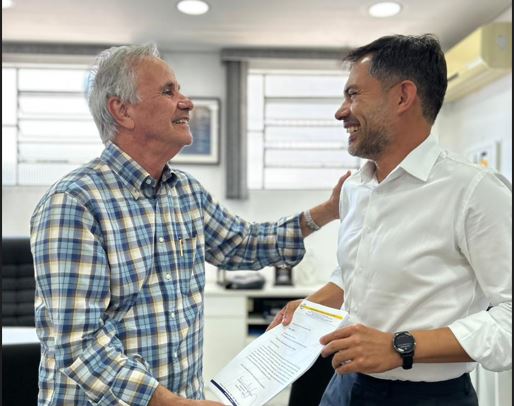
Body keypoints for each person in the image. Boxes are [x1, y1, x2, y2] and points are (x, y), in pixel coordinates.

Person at [30, 43, 351, 406]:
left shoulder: (186, 193)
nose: (187, 102)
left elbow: (242, 243)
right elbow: (78, 343)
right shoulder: (74, 203)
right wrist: (171, 403)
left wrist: (326, 211)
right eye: (169, 91)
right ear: (122, 111)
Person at [268, 34, 511, 405]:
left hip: (429, 397)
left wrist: (401, 347)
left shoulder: (475, 191)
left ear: (402, 96)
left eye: (353, 95)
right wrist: (313, 305)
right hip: (344, 386)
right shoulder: (356, 188)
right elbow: (356, 273)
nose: (340, 111)